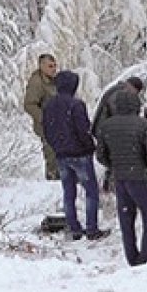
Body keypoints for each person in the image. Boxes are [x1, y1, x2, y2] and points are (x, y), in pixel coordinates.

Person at [96, 88, 147, 265]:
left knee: (126, 220)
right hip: (141, 178)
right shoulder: (143, 125)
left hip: (120, 178)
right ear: (136, 104)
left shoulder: (106, 126)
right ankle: (146, 258)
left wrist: (114, 165)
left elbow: (100, 155)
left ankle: (132, 258)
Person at [43, 70, 106, 240]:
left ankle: (74, 228)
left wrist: (56, 146)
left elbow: (47, 130)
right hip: (80, 154)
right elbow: (83, 130)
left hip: (61, 155)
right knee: (91, 192)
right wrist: (90, 146)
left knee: (68, 192)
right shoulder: (76, 105)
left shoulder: (49, 105)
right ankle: (92, 229)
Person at [92, 76, 145, 192]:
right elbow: (121, 114)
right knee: (115, 159)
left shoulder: (116, 89)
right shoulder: (119, 94)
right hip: (108, 131)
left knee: (113, 159)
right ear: (133, 87)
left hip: (104, 129)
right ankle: (112, 186)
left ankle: (111, 185)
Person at [23, 53, 60, 180]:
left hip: (57, 122)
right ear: (42, 66)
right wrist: (44, 118)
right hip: (45, 125)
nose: (54, 69)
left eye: (55, 66)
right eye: (50, 66)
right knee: (51, 153)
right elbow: (29, 104)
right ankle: (52, 177)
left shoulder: (53, 80)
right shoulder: (36, 82)